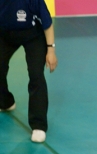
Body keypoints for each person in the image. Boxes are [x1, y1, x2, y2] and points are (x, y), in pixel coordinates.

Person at [0, 0, 57, 143]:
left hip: (33, 36)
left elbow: (47, 24)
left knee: (36, 75)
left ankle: (39, 125)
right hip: (5, 34)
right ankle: (5, 102)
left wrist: (51, 49)